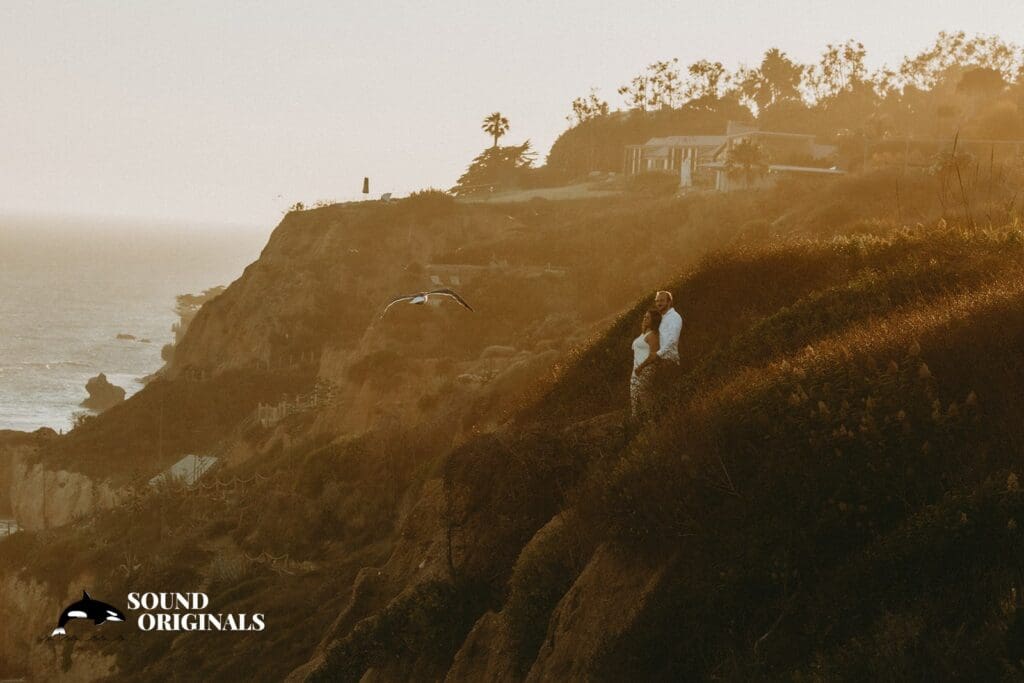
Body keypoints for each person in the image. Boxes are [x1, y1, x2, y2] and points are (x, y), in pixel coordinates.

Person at [630, 309, 662, 421]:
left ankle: (653, 422)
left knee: (644, 395)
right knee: (635, 396)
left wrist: (641, 367)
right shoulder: (644, 334)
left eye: (647, 317)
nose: (644, 319)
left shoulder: (653, 335)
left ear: (654, 320)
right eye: (644, 316)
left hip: (645, 369)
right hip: (637, 369)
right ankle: (640, 423)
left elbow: (654, 355)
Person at [653, 290, 682, 363]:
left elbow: (672, 340)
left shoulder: (674, 317)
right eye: (657, 301)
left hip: (670, 361)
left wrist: (657, 354)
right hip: (661, 361)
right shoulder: (662, 318)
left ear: (669, 302)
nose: (658, 303)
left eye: (662, 301)